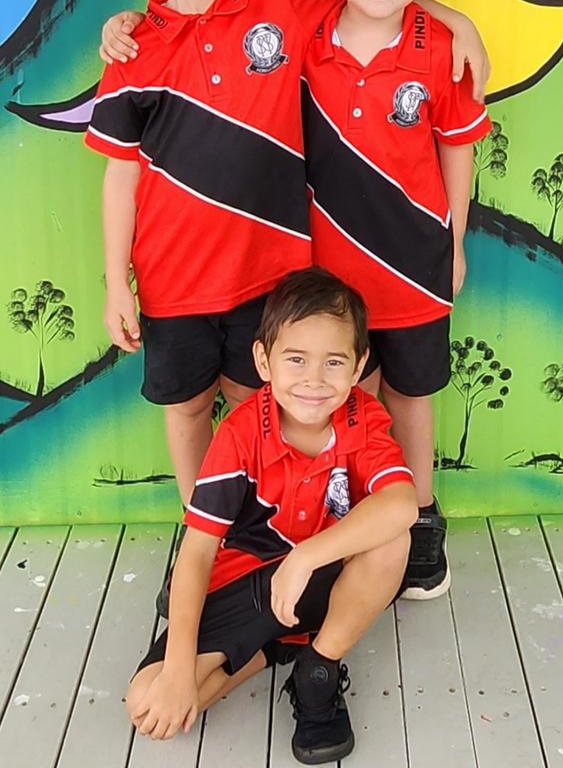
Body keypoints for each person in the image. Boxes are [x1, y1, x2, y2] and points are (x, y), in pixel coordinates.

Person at [93, 0, 488, 602]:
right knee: (188, 409)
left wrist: (453, 15)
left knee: (278, 407)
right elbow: (121, 169)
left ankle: (344, 523)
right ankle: (208, 533)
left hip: (278, 279)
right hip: (188, 277)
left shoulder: (280, 4)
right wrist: (119, 279)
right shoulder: (136, 44)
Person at [125, 267, 418, 765]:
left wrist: (306, 557)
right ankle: (273, 648)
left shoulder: (362, 419)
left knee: (393, 537)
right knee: (147, 699)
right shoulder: (240, 432)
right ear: (263, 360)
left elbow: (403, 503)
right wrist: (178, 671)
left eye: (333, 362)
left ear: (358, 364)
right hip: (250, 583)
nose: (313, 380)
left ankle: (317, 670)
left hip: (323, 580)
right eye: (296, 359)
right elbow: (196, 551)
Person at [302, 0, 493, 600]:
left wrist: (454, 242)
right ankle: (347, 521)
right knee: (347, 393)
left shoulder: (444, 49)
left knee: (411, 395)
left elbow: (457, 147)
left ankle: (417, 522)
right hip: (325, 266)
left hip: (412, 263)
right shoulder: (306, 29)